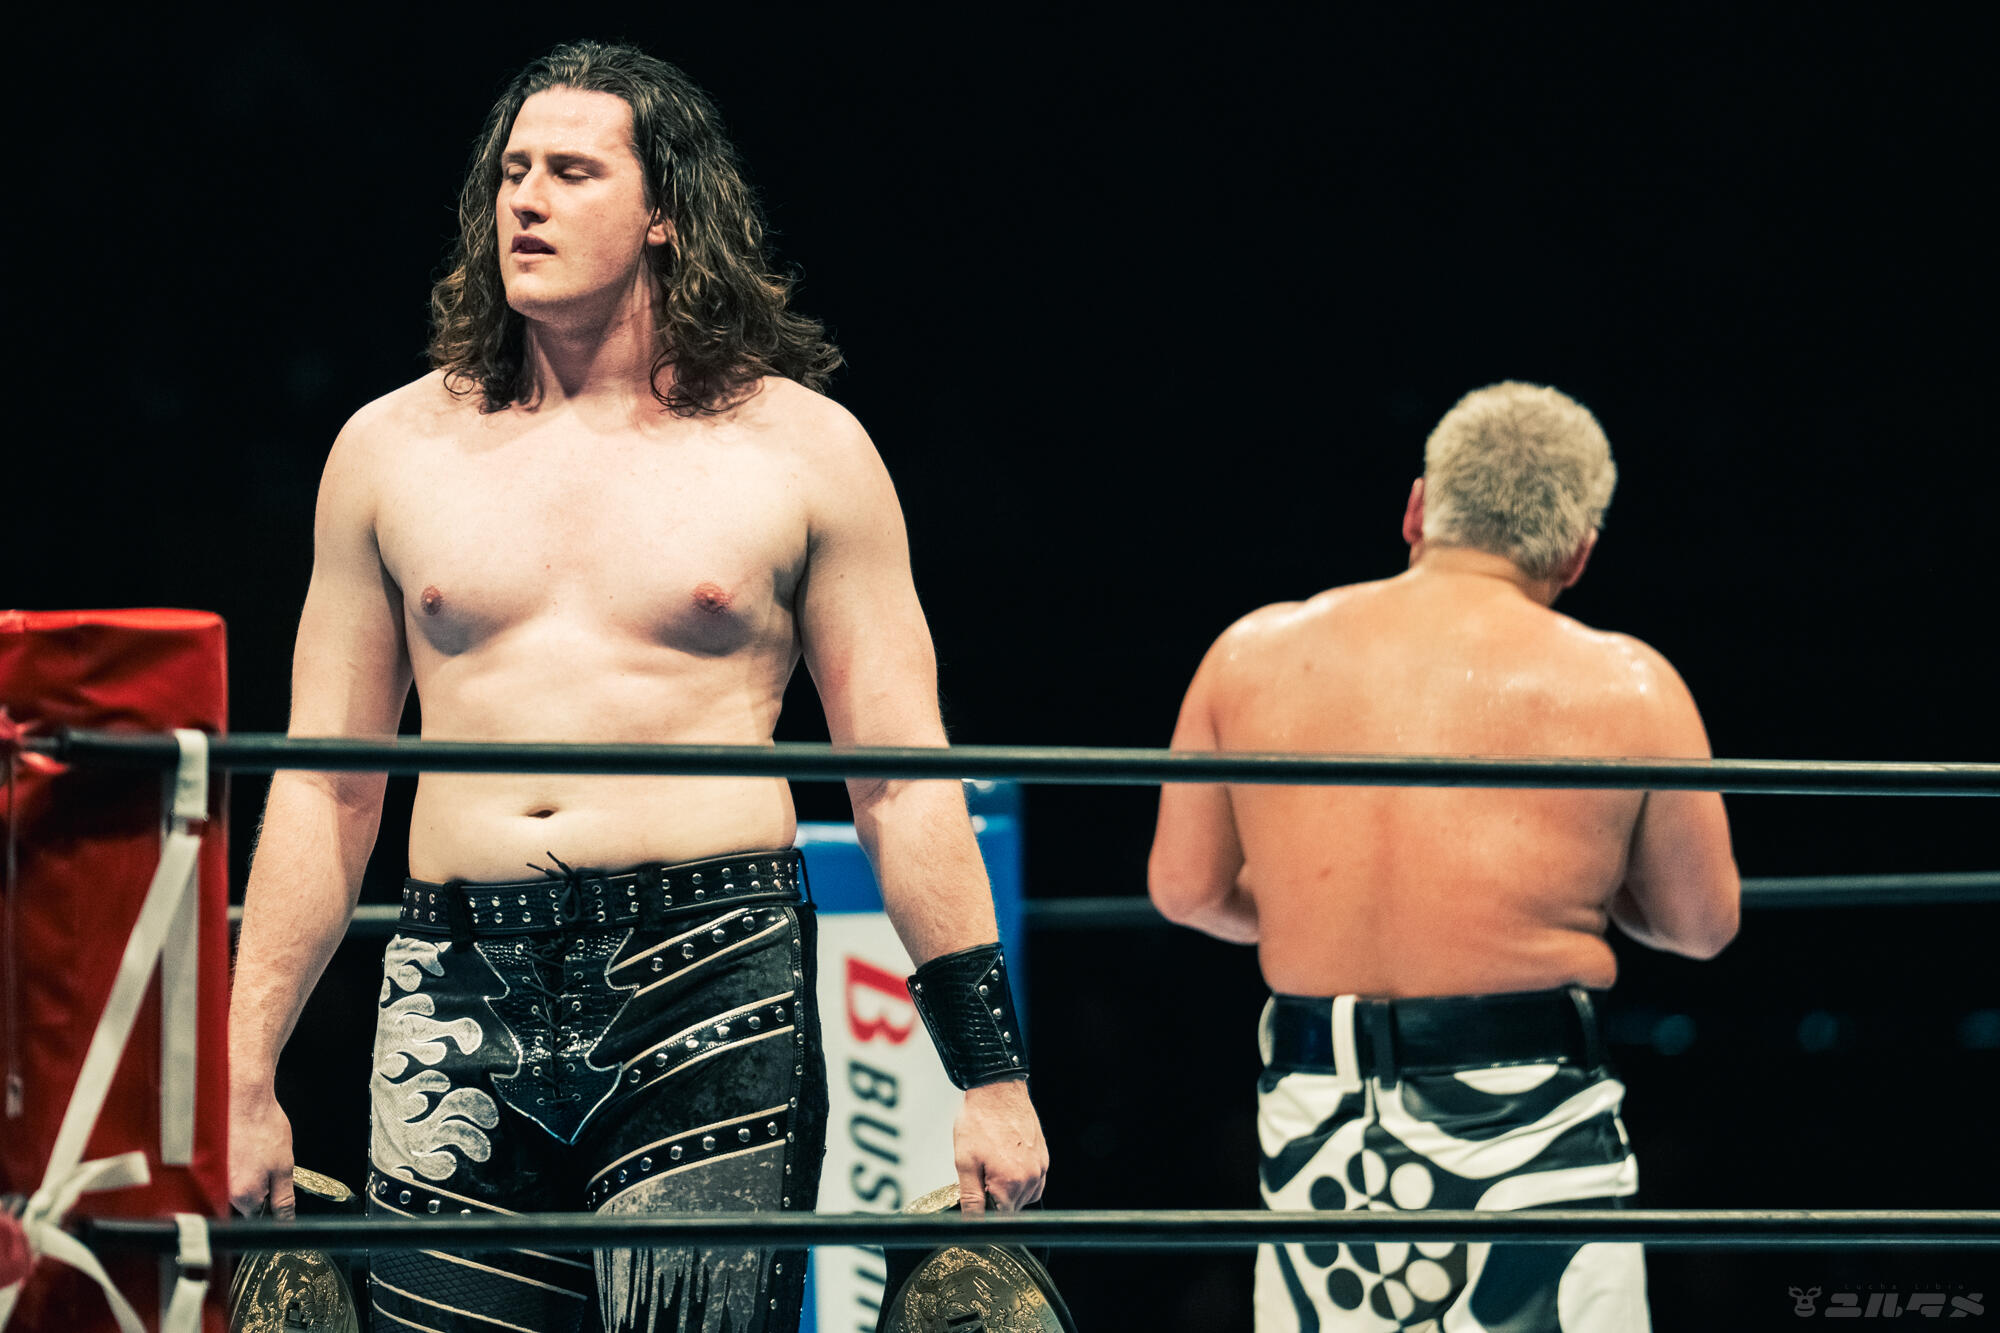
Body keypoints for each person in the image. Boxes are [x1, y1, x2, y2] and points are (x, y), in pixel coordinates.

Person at [228, 40, 1047, 1333]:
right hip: (457, 977)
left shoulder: (803, 452)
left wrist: (989, 1079)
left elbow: (901, 783)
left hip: (709, 978)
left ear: (666, 210)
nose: (525, 201)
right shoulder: (389, 451)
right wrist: (240, 1071)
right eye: (511, 173)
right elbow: (325, 782)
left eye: (570, 171)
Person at [1148, 381, 1739, 1332]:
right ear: (1578, 554)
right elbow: (1701, 924)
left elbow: (1185, 890)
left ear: (1418, 508)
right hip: (1534, 1129)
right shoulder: (1633, 685)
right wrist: (1591, 885)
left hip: (1318, 1129)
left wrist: (1320, 905)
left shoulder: (1248, 653)